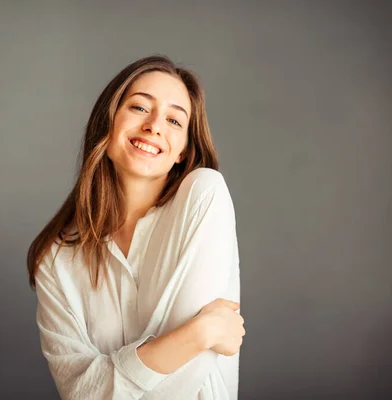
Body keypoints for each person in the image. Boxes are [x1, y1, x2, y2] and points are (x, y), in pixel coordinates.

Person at [27, 55, 244, 400]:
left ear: (182, 152)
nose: (155, 126)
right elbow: (78, 392)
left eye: (175, 120)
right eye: (140, 108)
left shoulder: (205, 196)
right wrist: (199, 334)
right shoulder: (55, 259)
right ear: (108, 122)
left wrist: (116, 378)